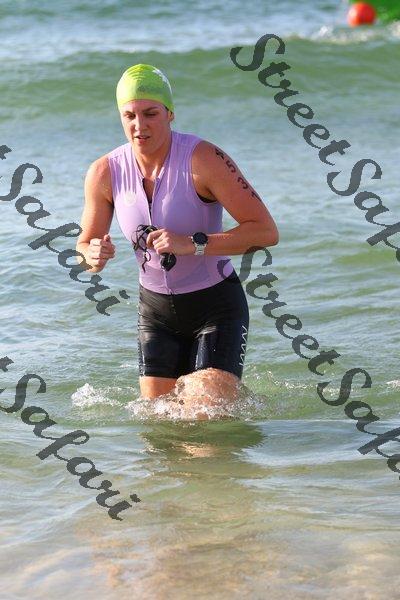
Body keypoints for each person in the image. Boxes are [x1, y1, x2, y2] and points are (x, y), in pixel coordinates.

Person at [76, 64, 279, 405]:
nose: (139, 125)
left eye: (151, 113)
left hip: (215, 307)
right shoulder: (104, 172)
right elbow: (84, 249)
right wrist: (92, 255)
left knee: (205, 422)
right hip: (155, 315)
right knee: (160, 428)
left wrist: (194, 244)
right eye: (129, 115)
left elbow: (265, 231)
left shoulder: (204, 159)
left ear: (170, 113)